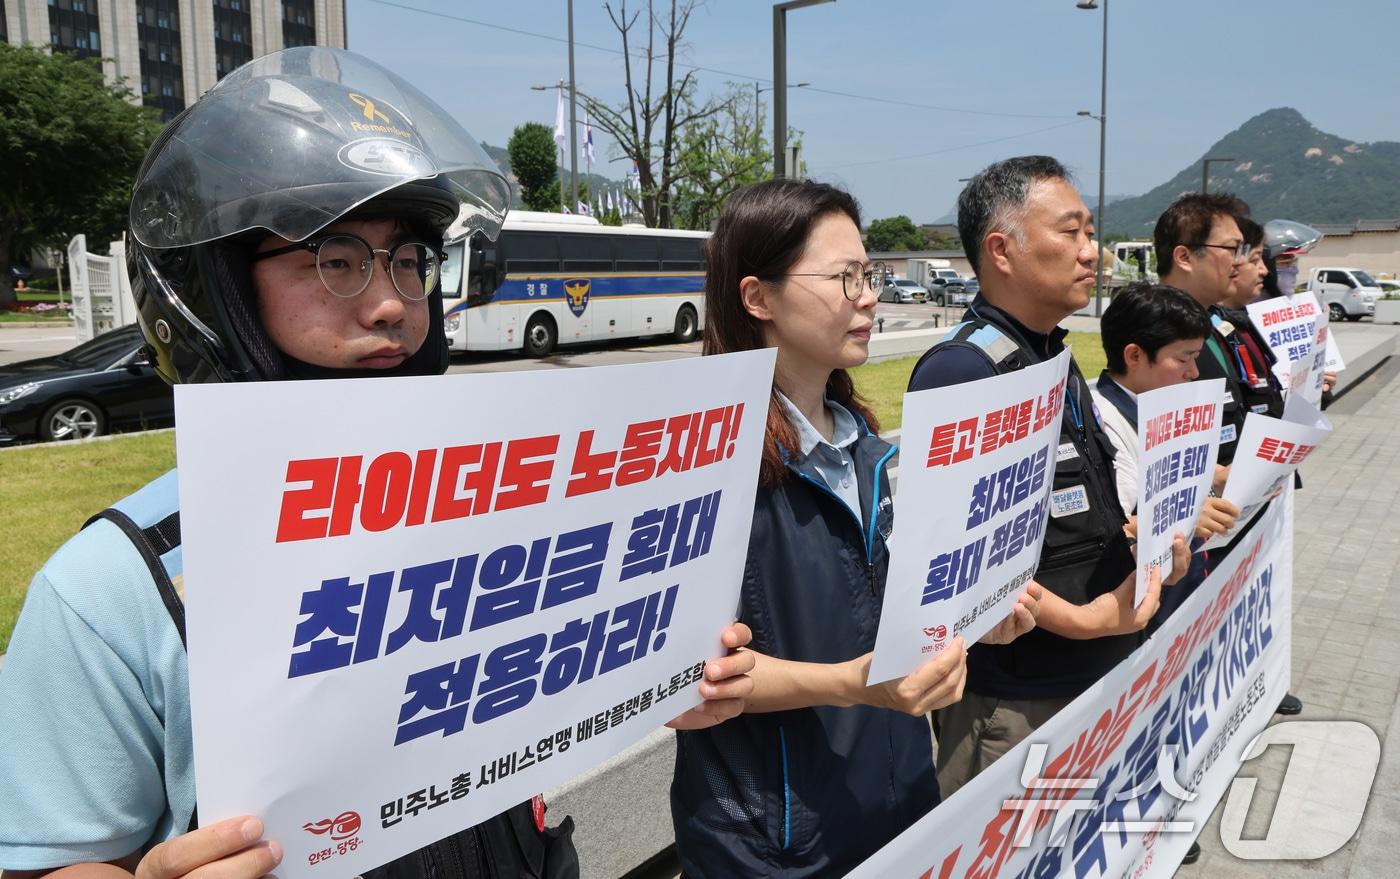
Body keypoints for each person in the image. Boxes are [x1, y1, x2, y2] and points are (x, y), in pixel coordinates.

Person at [0, 48, 755, 879]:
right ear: (213, 288)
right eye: (336, 257)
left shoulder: (488, 499)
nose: (393, 300)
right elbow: (50, 857)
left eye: (408, 258)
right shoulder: (118, 587)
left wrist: (652, 672)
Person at [670, 178, 1042, 877]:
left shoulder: (867, 445)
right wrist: (855, 682)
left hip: (898, 802)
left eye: (867, 275)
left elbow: (892, 613)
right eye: (845, 278)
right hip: (777, 845)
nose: (869, 296)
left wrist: (978, 616)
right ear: (758, 298)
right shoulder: (705, 463)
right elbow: (692, 677)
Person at [906, 156, 1187, 797]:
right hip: (1016, 700)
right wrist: (1086, 620)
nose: (1093, 251)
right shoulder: (963, 372)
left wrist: (1149, 539)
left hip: (1095, 667)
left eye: (1092, 232)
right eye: (1072, 232)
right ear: (1002, 250)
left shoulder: (1054, 353)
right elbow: (954, 564)